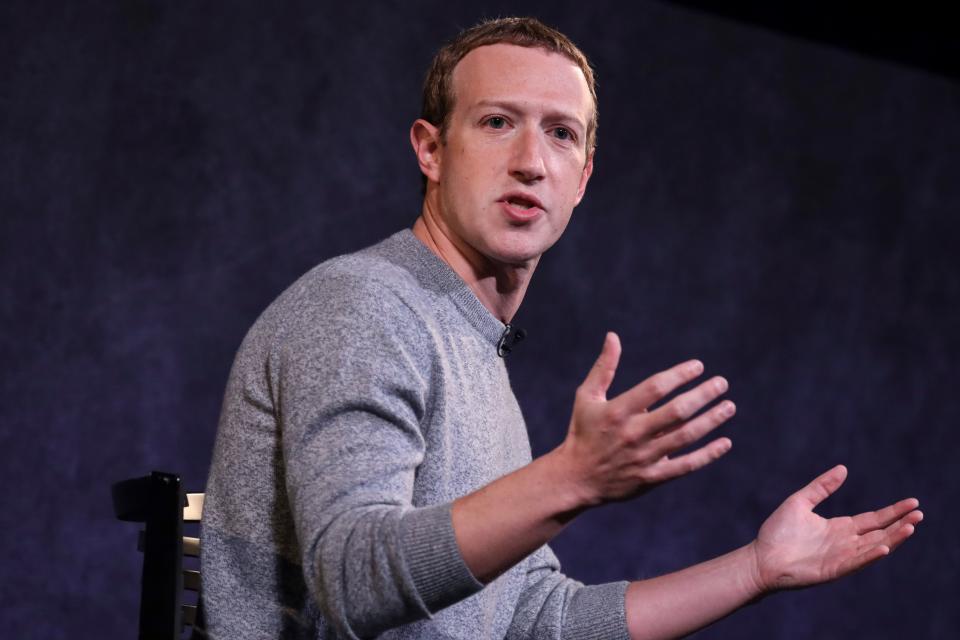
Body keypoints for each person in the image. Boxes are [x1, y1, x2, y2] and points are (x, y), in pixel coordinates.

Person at [200, 17, 922, 640]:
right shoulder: (363, 306)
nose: (530, 163)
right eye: (495, 122)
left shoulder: (477, 359)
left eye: (560, 134)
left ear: (582, 177)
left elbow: (536, 621)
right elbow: (352, 578)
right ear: (430, 149)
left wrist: (758, 568)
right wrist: (570, 479)